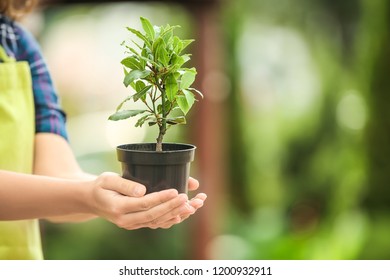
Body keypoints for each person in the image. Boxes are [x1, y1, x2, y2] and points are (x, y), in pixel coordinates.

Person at [0, 0, 207, 260]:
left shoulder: (17, 43)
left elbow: (56, 177)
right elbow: (76, 193)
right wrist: (89, 196)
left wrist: (119, 194)